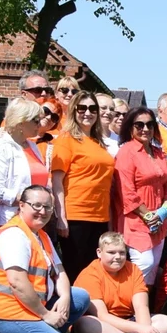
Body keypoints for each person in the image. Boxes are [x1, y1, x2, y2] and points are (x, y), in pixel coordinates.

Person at [0, 186, 89, 333]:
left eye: (48, 207)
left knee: (79, 296)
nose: (42, 212)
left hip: (29, 307)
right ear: (22, 206)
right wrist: (46, 315)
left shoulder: (41, 235)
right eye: (36, 206)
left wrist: (65, 297)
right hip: (2, 314)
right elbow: (17, 282)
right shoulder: (14, 235)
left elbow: (61, 272)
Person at [68, 231, 167, 333]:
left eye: (122, 253)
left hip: (129, 323)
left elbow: (141, 307)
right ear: (99, 252)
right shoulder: (90, 274)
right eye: (111, 252)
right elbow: (102, 316)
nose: (117, 257)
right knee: (84, 323)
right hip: (103, 326)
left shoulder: (133, 269)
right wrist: (140, 329)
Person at [51, 91, 116, 280]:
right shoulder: (66, 139)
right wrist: (61, 216)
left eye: (92, 108)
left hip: (100, 217)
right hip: (76, 216)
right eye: (82, 108)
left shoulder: (99, 142)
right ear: (73, 111)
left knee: (95, 272)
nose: (88, 113)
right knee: (76, 272)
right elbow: (57, 182)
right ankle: (72, 308)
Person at [113, 106, 167, 285]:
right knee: (144, 264)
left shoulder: (158, 153)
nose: (145, 129)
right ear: (130, 127)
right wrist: (148, 215)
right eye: (139, 125)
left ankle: (145, 308)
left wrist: (164, 210)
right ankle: (127, 307)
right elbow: (126, 191)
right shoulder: (126, 153)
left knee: (154, 266)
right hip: (136, 220)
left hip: (159, 220)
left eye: (149, 124)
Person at [0, 98, 48, 230]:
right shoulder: (2, 147)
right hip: (11, 220)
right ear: (20, 123)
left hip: (35, 219)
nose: (40, 124)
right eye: (36, 120)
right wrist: (26, 199)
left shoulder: (32, 146)